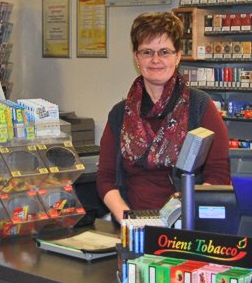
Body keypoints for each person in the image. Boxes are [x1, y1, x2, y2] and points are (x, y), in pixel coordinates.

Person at [96, 12, 230, 223]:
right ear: (136, 57)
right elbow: (106, 177)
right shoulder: (120, 114)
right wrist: (128, 220)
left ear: (177, 57)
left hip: (186, 224)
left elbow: (219, 174)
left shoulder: (200, 107)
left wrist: (183, 211)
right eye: (147, 51)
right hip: (133, 224)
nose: (155, 60)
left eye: (164, 52)